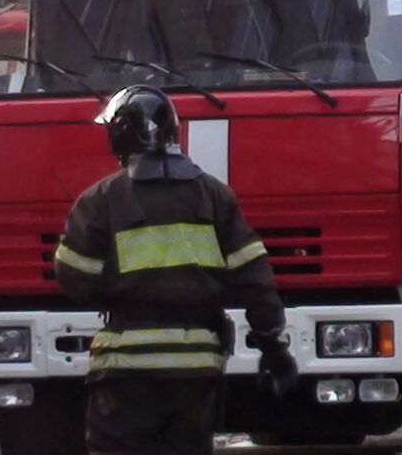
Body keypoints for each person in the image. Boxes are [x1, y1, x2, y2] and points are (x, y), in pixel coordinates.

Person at [54, 85, 298, 454]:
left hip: (126, 367)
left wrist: (117, 288)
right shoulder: (216, 196)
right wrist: (273, 348)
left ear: (119, 134)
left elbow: (74, 277)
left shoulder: (101, 200)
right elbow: (254, 280)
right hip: (196, 369)